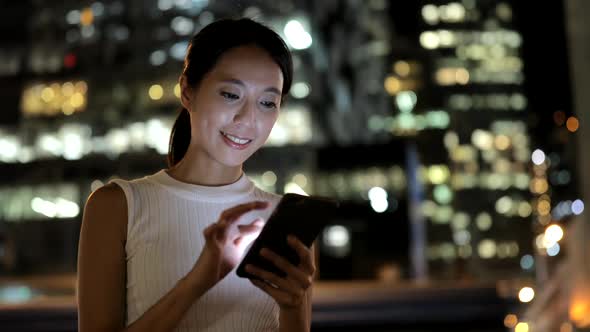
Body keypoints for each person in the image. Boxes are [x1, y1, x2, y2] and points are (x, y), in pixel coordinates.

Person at [77, 18, 315, 332]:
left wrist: (293, 308)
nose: (248, 119)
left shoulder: (286, 220)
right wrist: (196, 282)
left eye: (267, 102)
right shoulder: (117, 206)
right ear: (187, 91)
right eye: (231, 95)